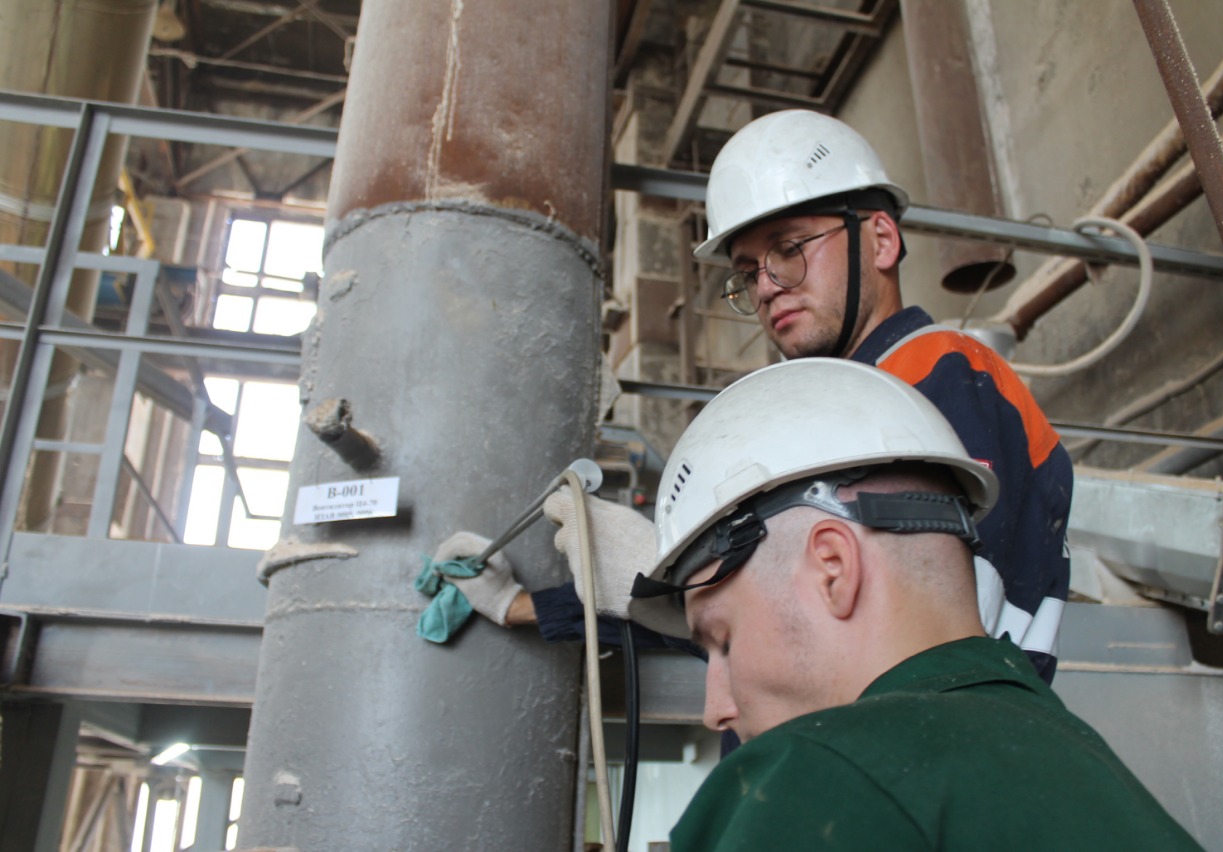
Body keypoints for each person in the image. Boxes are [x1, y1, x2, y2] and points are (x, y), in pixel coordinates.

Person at [444, 109, 1072, 682]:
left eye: (790, 250)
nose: (767, 287)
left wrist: (671, 579)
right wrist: (518, 605)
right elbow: (744, 620)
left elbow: (913, 625)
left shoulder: (938, 373)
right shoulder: (836, 410)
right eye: (747, 272)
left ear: (881, 239)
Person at [628, 359, 1200, 851]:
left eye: (723, 639)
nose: (715, 709)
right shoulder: (1080, 767)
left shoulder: (821, 775)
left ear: (834, 568)